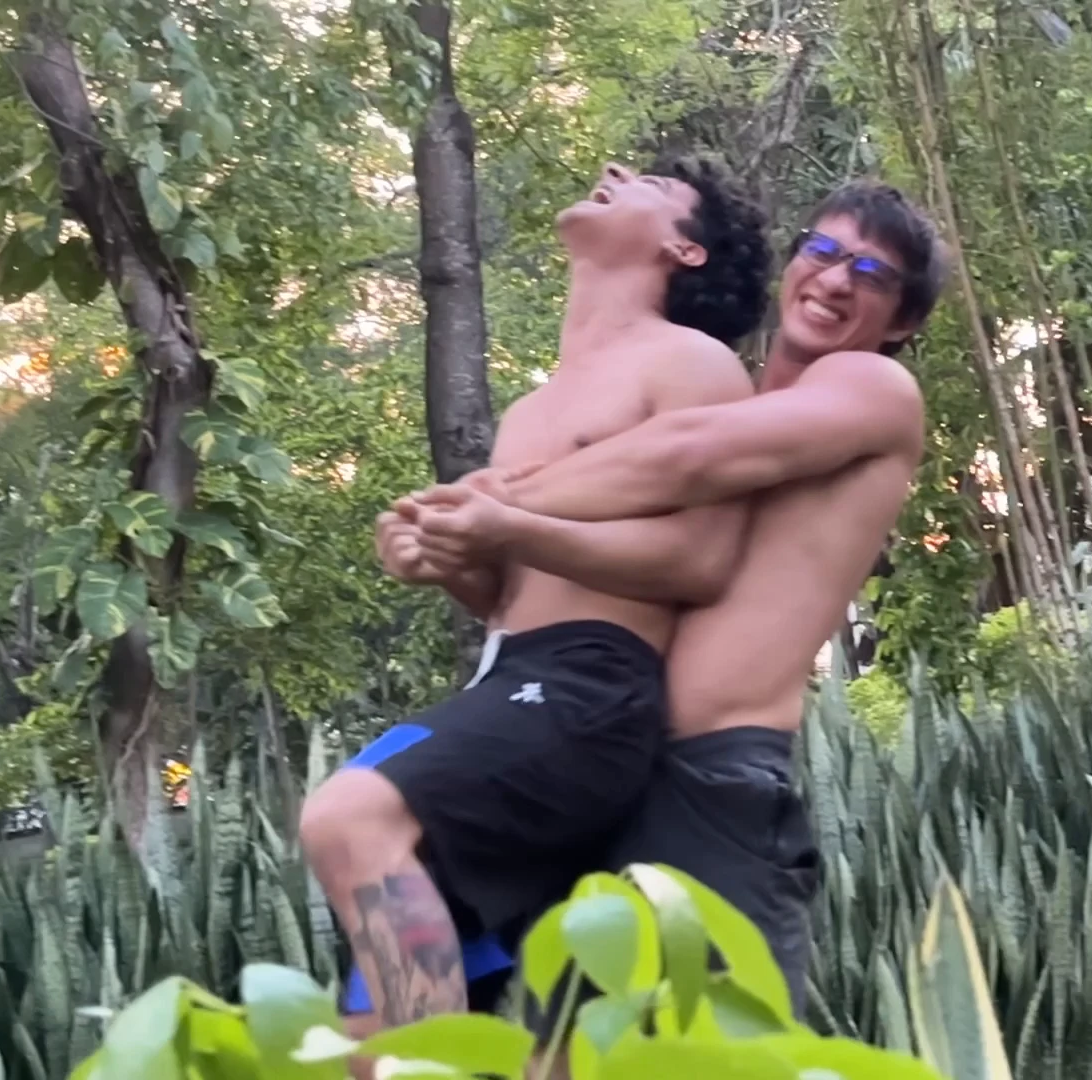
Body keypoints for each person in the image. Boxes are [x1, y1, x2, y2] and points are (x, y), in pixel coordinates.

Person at [404, 178, 950, 1024]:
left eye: (872, 274)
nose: (836, 280)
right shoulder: (722, 387)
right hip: (599, 764)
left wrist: (491, 502)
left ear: (903, 320)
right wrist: (462, 547)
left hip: (712, 780)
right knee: (564, 1055)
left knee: (716, 1058)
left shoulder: (870, 389)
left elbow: (688, 453)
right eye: (823, 251)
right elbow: (560, 591)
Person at [298, 155, 773, 1041]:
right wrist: (443, 556)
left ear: (685, 249)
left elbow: (700, 561)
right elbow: (504, 596)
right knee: (373, 1021)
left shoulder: (693, 364)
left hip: (592, 689)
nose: (614, 168)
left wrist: (509, 525)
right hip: (511, 680)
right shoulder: (529, 412)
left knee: (349, 813)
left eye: (652, 184)